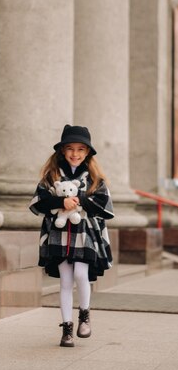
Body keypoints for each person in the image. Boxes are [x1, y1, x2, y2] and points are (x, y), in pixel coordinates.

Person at [29, 124, 114, 348]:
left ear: (87, 153)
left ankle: (84, 315)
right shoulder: (52, 176)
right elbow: (39, 202)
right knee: (65, 279)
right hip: (58, 235)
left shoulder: (95, 178)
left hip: (85, 235)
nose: (75, 154)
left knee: (80, 273)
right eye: (70, 148)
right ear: (62, 151)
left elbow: (104, 206)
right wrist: (60, 201)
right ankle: (66, 329)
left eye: (80, 149)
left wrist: (80, 200)